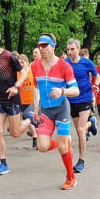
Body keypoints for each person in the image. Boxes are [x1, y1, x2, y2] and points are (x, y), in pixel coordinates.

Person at [31, 33, 80, 190]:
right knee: (42, 147)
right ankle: (63, 142)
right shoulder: (35, 66)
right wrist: (36, 107)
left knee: (63, 148)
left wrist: (62, 91)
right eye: (39, 45)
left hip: (61, 109)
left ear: (53, 46)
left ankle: (71, 178)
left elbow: (76, 90)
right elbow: (36, 88)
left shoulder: (64, 66)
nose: (41, 48)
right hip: (45, 110)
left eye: (44, 45)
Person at [0, 29, 29, 176]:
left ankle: (30, 120)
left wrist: (16, 86)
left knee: (15, 133)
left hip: (12, 96)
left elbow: (24, 71)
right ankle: (3, 163)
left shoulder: (8, 56)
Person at [65, 38, 100, 173]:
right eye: (68, 49)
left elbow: (97, 76)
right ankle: (91, 123)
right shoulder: (65, 63)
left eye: (72, 49)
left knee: (80, 130)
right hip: (71, 100)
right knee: (79, 129)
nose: (70, 52)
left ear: (78, 49)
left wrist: (95, 85)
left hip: (85, 98)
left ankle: (81, 160)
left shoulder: (86, 62)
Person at [17, 54, 38, 149]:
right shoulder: (17, 73)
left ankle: (36, 136)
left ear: (27, 62)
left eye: (23, 62)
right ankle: (35, 136)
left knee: (27, 116)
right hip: (22, 101)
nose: (21, 64)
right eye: (19, 63)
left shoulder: (32, 71)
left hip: (32, 100)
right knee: (28, 120)